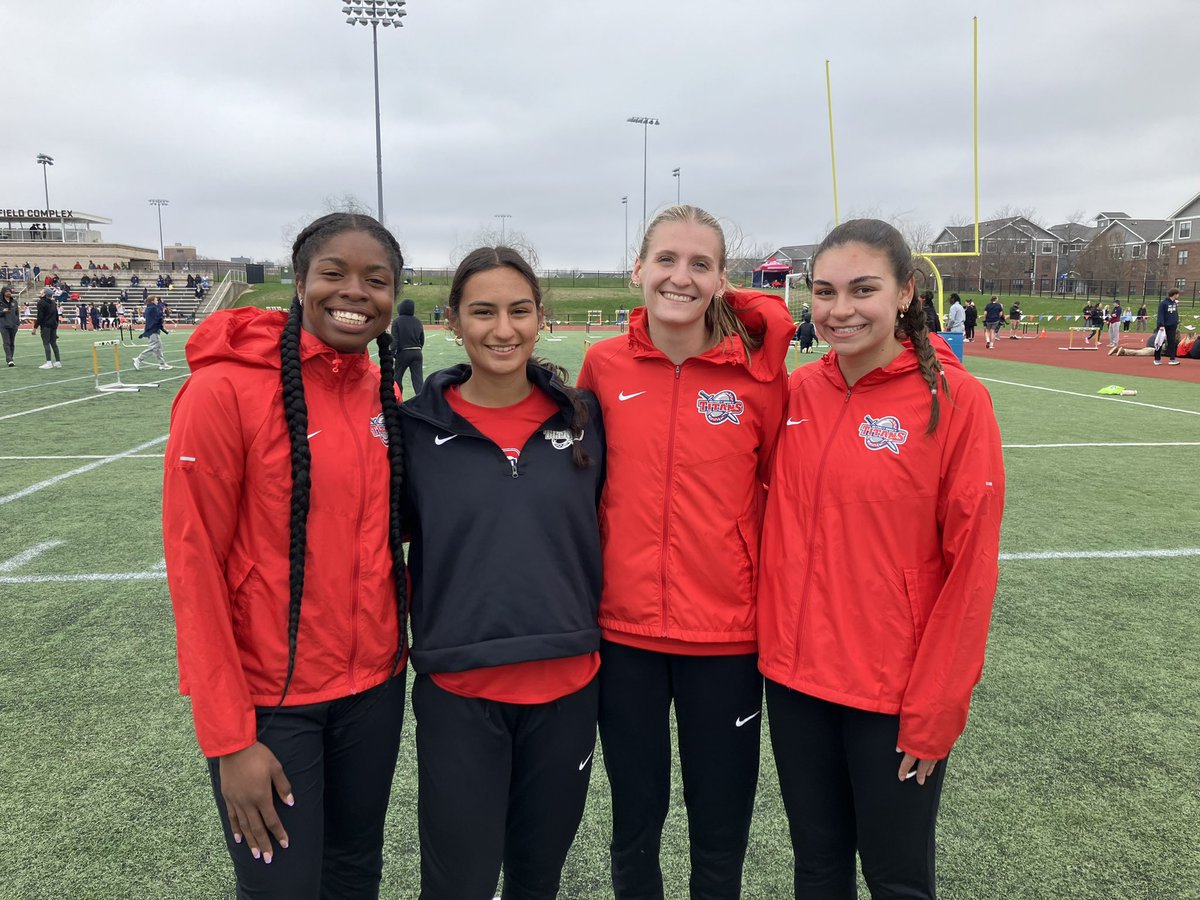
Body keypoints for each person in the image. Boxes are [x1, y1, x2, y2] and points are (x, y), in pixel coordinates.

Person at [162, 212, 410, 898]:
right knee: (281, 889)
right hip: (272, 706)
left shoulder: (379, 388)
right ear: (299, 283)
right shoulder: (222, 390)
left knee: (355, 875)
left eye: (376, 279)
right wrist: (228, 739)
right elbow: (194, 568)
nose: (355, 292)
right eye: (334, 273)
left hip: (374, 692)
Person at [757, 219, 1005, 900]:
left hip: (892, 697)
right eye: (825, 292)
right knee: (816, 869)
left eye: (863, 289)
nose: (840, 311)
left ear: (906, 293)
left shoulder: (957, 402)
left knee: (896, 881)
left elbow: (971, 572)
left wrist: (935, 710)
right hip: (796, 682)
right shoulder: (799, 394)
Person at [578, 205, 792, 899]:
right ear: (638, 270)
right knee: (635, 821)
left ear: (722, 279)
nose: (681, 276)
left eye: (700, 264)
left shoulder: (759, 378)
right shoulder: (602, 366)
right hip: (625, 636)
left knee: (720, 825)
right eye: (666, 260)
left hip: (727, 640)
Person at [399, 246, 605, 899]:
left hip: (567, 685)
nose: (503, 328)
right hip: (461, 692)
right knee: (457, 884)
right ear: (453, 321)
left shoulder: (587, 420)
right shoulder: (412, 431)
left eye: (519, 310)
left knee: (536, 881)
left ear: (541, 318)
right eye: (483, 312)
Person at [389, 297, 424, 395]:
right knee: (418, 381)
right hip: (417, 352)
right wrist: (418, 349)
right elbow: (422, 339)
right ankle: (422, 402)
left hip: (403, 353)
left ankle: (399, 400)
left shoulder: (397, 321)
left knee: (397, 378)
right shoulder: (418, 321)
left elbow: (394, 340)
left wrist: (392, 354)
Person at [132, 296, 172, 370]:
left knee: (158, 347)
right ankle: (138, 359)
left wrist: (164, 330)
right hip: (152, 330)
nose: (157, 300)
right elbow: (158, 319)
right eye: (156, 299)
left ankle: (162, 364)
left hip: (152, 330)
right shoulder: (153, 308)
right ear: (152, 301)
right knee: (154, 347)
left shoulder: (150, 308)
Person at [32, 286, 62, 369]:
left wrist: (35, 328)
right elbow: (56, 316)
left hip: (46, 326)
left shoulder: (41, 302)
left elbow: (40, 317)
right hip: (53, 325)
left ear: (45, 293)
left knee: (46, 343)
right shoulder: (53, 303)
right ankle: (58, 362)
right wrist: (56, 326)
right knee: (54, 344)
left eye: (42, 291)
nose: (41, 292)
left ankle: (48, 362)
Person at [1154, 289, 1181, 366]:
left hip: (1172, 326)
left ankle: (1172, 359)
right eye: (1177, 294)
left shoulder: (1175, 303)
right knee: (1160, 342)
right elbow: (1160, 315)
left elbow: (1175, 314)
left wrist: (1176, 321)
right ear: (1175, 294)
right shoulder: (1163, 303)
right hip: (1164, 327)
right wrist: (1161, 325)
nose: (1178, 296)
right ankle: (1157, 359)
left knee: (1172, 342)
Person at [1, 286, 19, 367]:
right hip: (3, 325)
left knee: (12, 343)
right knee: (6, 342)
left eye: (10, 291)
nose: (9, 292)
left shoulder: (14, 302)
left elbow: (17, 313)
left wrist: (17, 323)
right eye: (7, 291)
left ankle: (11, 358)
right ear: (3, 292)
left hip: (13, 325)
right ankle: (9, 359)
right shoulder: (0, 302)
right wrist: (2, 311)